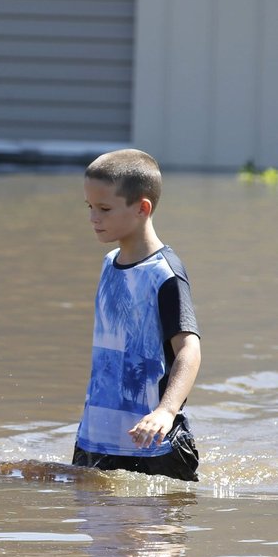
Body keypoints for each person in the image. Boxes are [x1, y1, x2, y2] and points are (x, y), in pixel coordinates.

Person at [73, 149, 202, 481]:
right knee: (96, 529)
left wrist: (166, 411)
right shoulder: (108, 264)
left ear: (142, 208)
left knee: (159, 531)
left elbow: (189, 349)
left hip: (155, 442)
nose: (93, 218)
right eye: (90, 207)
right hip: (97, 438)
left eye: (104, 209)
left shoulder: (165, 274)